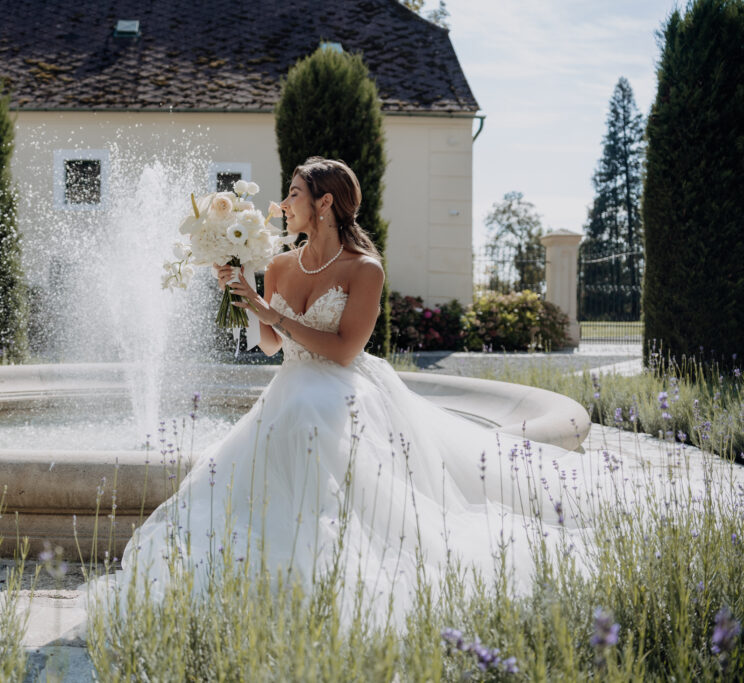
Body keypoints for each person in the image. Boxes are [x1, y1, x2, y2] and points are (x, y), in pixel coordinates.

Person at [98, 157, 673, 627]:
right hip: (288, 389)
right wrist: (247, 295)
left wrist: (268, 309)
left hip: (344, 390)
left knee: (327, 454)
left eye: (295, 193)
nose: (286, 202)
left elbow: (345, 349)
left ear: (324, 203)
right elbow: (272, 348)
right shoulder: (276, 265)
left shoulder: (363, 268)